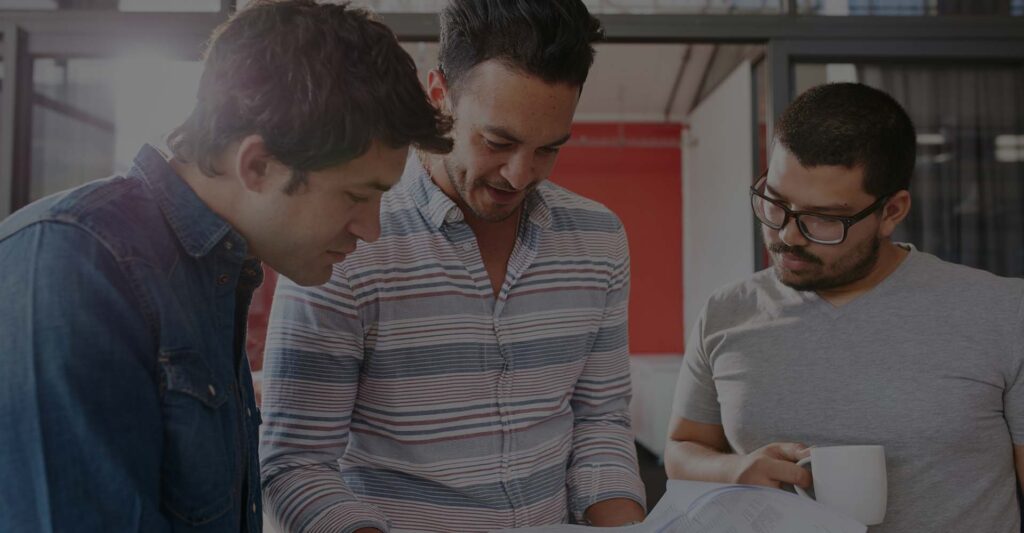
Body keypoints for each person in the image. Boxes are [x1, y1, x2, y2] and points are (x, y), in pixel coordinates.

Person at [0, 1, 450, 531]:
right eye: (356, 195)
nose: (371, 230)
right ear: (257, 164)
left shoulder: (214, 275)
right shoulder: (73, 264)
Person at [259, 1, 647, 531]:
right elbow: (294, 464)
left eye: (548, 150)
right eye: (498, 142)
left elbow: (601, 422)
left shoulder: (599, 239)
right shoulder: (346, 239)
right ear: (440, 95)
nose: (518, 174)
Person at [665, 82, 1024, 532]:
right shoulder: (725, 312)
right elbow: (682, 449)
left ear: (892, 211)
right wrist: (731, 471)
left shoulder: (1005, 313)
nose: (788, 235)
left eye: (823, 218)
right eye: (775, 202)